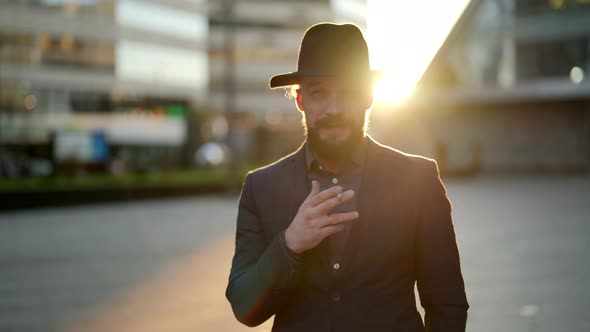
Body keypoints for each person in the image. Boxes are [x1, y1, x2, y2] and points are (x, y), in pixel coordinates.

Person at [226, 22, 468, 332]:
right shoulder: (260, 187)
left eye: (349, 92)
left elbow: (447, 303)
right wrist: (290, 244)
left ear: (369, 97)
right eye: (319, 94)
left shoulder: (418, 180)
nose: (334, 108)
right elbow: (245, 308)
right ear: (300, 101)